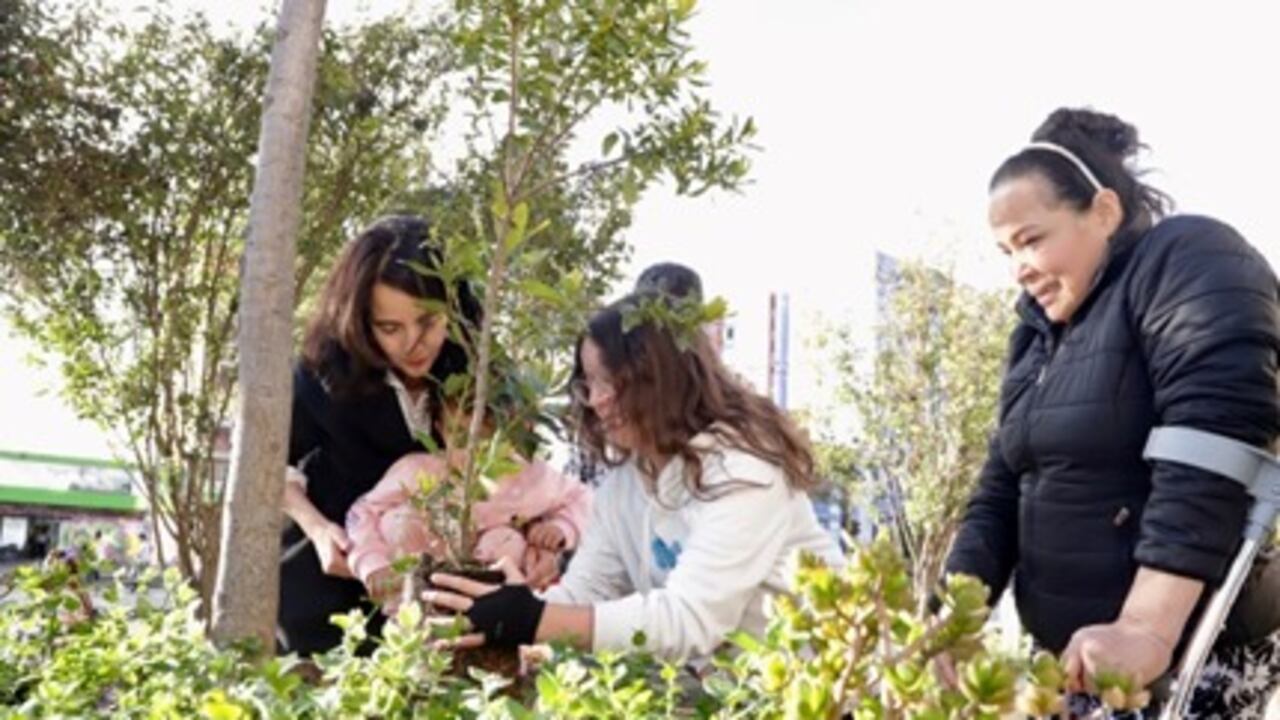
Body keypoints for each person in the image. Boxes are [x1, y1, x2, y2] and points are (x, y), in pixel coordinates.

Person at [943, 107, 1280, 717]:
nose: (1018, 268)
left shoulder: (1187, 258)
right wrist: (951, 621)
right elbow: (1000, 487)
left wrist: (1147, 627)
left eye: (1032, 239)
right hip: (1073, 667)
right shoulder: (1036, 337)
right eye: (1004, 251)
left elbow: (1213, 442)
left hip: (1188, 658)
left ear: (1102, 210)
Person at [424, 291, 845, 659]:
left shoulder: (743, 469)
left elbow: (690, 620)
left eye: (614, 381)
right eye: (590, 381)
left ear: (664, 379)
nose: (598, 400)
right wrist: (516, 604)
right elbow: (584, 596)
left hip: (814, 695)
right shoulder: (624, 486)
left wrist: (534, 620)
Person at [278, 214, 480, 656]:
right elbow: (274, 465)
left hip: (430, 604)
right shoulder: (321, 372)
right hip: (326, 598)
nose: (414, 344)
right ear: (360, 320)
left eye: (428, 322)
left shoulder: (477, 379)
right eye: (390, 328)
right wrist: (317, 529)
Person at [345, 448, 592, 613]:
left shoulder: (525, 473)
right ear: (442, 426)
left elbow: (582, 497)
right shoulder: (418, 469)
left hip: (497, 602)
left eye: (489, 431)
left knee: (504, 541)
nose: (474, 448)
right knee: (401, 520)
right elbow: (364, 512)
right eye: (461, 432)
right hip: (418, 595)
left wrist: (561, 527)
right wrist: (371, 563)